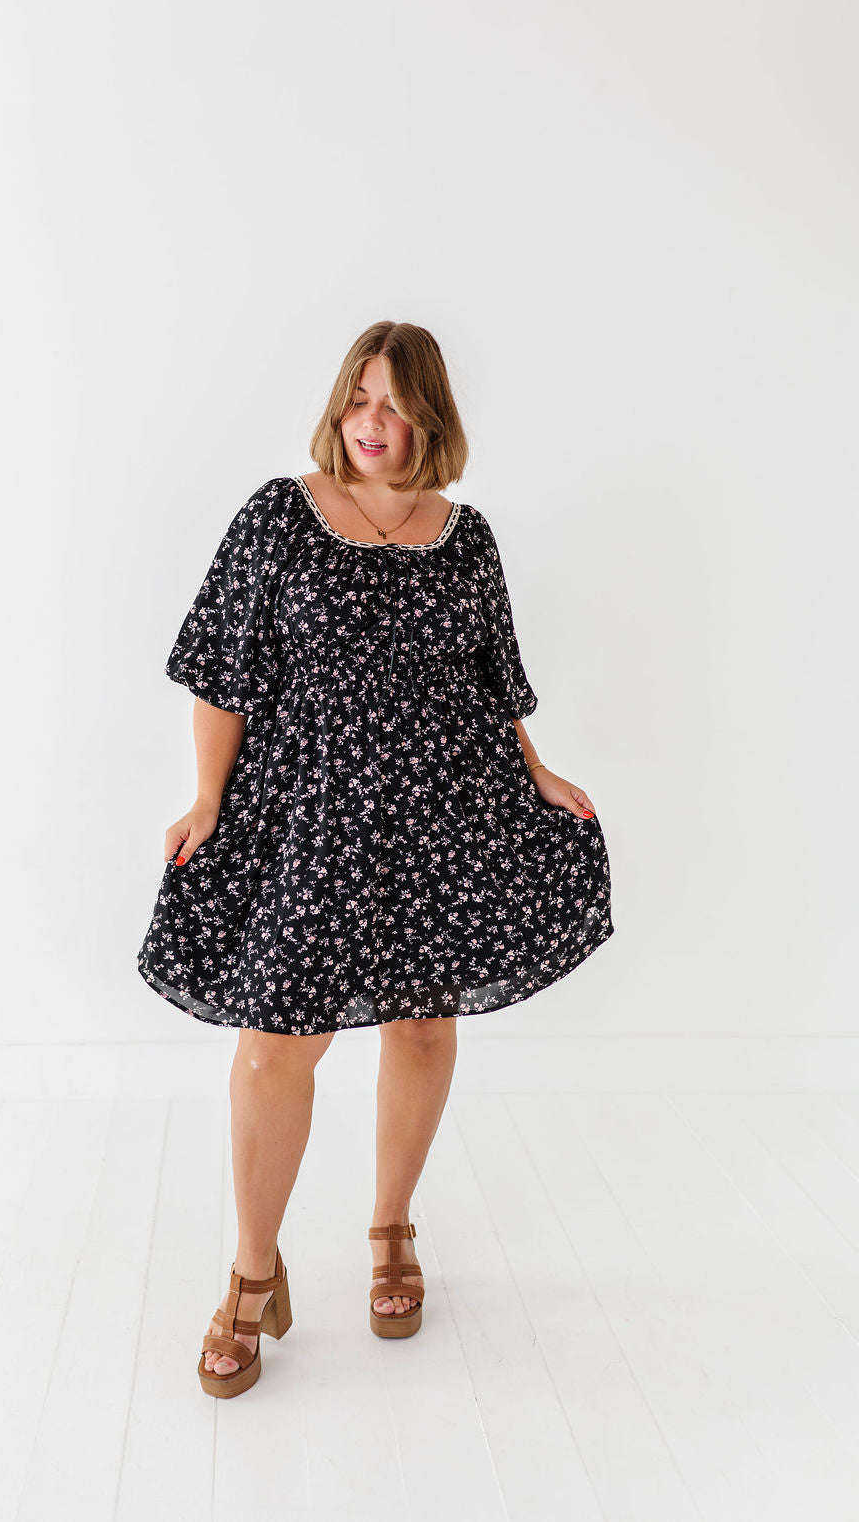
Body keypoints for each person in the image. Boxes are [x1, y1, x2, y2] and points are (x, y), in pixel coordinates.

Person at [136, 320, 614, 1398]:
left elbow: (492, 683)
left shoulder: (467, 538)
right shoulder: (280, 515)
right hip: (310, 816)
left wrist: (534, 769)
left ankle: (392, 1226)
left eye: (395, 402)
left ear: (429, 415)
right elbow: (221, 669)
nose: (372, 421)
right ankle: (254, 1273)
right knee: (274, 1048)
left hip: (441, 810)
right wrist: (207, 798)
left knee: (422, 1023)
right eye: (359, 398)